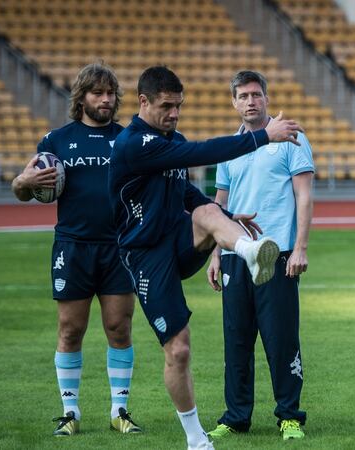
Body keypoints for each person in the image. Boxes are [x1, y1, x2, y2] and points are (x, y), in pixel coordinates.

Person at [108, 66, 304, 450]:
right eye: (167, 106)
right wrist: (264, 137)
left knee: (208, 211)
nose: (174, 114)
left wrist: (229, 220)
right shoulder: (134, 143)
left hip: (178, 242)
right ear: (143, 102)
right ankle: (196, 438)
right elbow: (202, 152)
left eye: (179, 106)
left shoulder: (170, 138)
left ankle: (248, 251)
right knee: (178, 349)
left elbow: (189, 197)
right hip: (145, 255)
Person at [12, 63, 142, 436]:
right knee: (70, 329)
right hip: (73, 247)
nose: (105, 99)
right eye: (97, 93)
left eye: (110, 93)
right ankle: (70, 413)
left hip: (119, 245)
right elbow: (23, 191)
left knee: (119, 327)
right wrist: (25, 180)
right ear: (81, 97)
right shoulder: (55, 141)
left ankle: (120, 410)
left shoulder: (128, 138)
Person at [206, 70, 312, 442]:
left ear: (266, 98)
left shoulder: (289, 139)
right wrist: (215, 253)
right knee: (236, 340)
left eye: (255, 94)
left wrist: (299, 247)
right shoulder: (228, 148)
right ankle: (236, 417)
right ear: (233, 103)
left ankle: (289, 416)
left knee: (281, 338)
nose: (250, 101)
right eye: (243, 96)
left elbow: (303, 196)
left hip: (278, 254)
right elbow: (218, 206)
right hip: (236, 255)